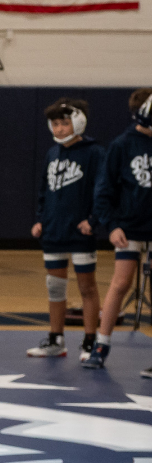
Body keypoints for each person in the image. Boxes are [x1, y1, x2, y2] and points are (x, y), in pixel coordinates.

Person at [29, 99, 105, 361]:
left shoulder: (94, 153)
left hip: (80, 232)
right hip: (53, 230)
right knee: (55, 287)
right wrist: (40, 219)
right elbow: (44, 189)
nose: (60, 129)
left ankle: (90, 341)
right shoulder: (53, 153)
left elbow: (102, 190)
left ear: (79, 122)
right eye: (56, 124)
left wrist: (93, 221)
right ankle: (55, 339)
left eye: (65, 123)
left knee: (87, 288)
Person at [84, 89, 152, 375]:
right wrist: (111, 225)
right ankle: (101, 344)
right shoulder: (123, 145)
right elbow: (104, 189)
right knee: (120, 283)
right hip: (129, 226)